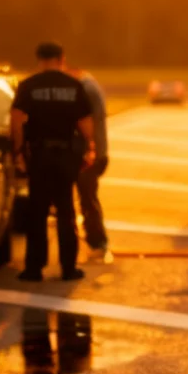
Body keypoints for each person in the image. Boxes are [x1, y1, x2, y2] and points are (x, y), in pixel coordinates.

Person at [10, 42, 96, 281]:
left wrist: (17, 152)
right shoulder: (73, 86)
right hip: (66, 156)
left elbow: (16, 120)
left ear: (39, 59)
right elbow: (86, 122)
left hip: (39, 155)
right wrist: (90, 148)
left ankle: (34, 268)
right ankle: (69, 268)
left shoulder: (28, 86)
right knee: (66, 210)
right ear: (62, 58)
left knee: (37, 212)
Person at [73, 66, 110, 261]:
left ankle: (97, 241)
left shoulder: (84, 89)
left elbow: (85, 122)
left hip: (90, 155)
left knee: (87, 199)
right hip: (97, 153)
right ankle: (96, 241)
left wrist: (89, 150)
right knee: (88, 198)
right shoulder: (91, 85)